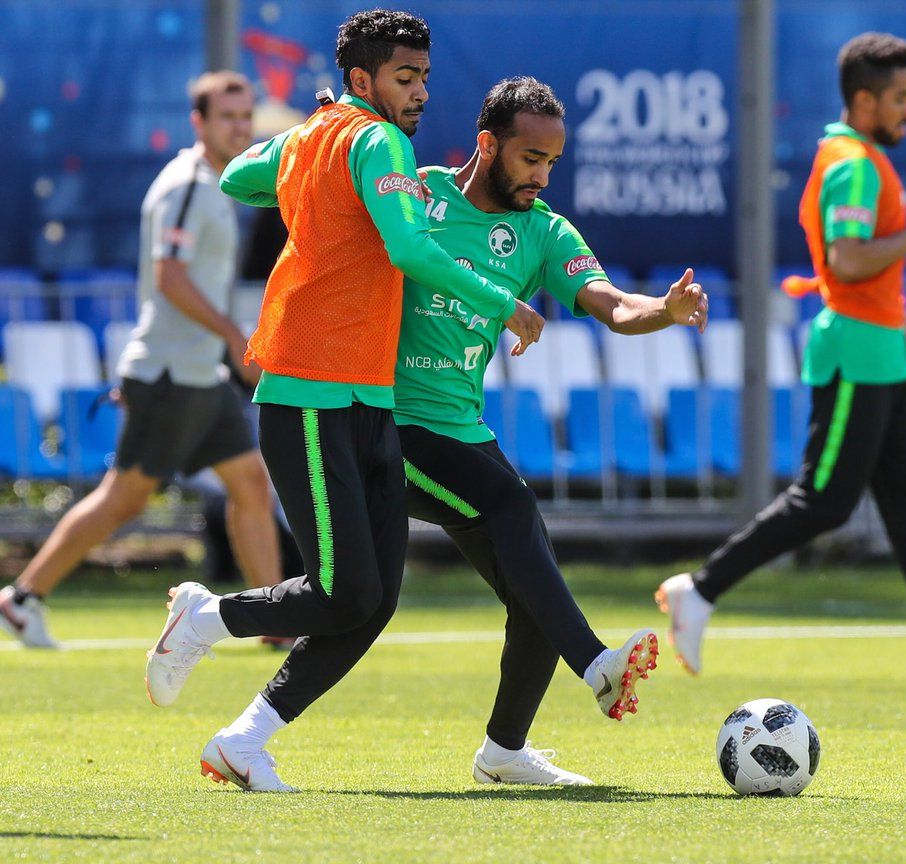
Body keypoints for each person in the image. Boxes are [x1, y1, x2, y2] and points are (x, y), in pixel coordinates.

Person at [143, 10, 544, 793]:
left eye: (425, 76)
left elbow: (238, 176)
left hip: (367, 397)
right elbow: (408, 247)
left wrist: (307, 145)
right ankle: (205, 618)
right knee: (345, 591)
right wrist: (502, 300)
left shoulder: (320, 135)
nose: (422, 91)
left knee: (373, 598)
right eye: (405, 77)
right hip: (310, 393)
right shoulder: (378, 141)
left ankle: (241, 742)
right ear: (362, 80)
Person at [655, 32, 906, 689]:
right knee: (824, 501)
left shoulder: (862, 158)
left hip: (882, 349)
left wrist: (904, 324)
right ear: (863, 101)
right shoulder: (852, 162)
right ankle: (699, 590)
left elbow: (865, 270)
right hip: (855, 353)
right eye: (900, 99)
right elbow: (848, 260)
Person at [394, 77, 701, 785]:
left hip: (460, 430)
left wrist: (664, 308)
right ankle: (595, 664)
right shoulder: (417, 194)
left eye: (552, 164)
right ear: (487, 144)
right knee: (509, 514)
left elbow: (612, 306)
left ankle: (504, 752)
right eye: (531, 158)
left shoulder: (543, 230)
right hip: (388, 422)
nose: (541, 176)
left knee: (531, 584)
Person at [0, 72, 283, 650]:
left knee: (251, 483)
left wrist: (225, 345)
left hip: (197, 374)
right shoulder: (186, 184)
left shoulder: (214, 183)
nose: (240, 126)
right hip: (169, 375)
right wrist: (233, 334)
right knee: (124, 499)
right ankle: (22, 598)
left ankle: (271, 626)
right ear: (198, 122)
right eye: (227, 115)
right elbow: (168, 276)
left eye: (245, 114)